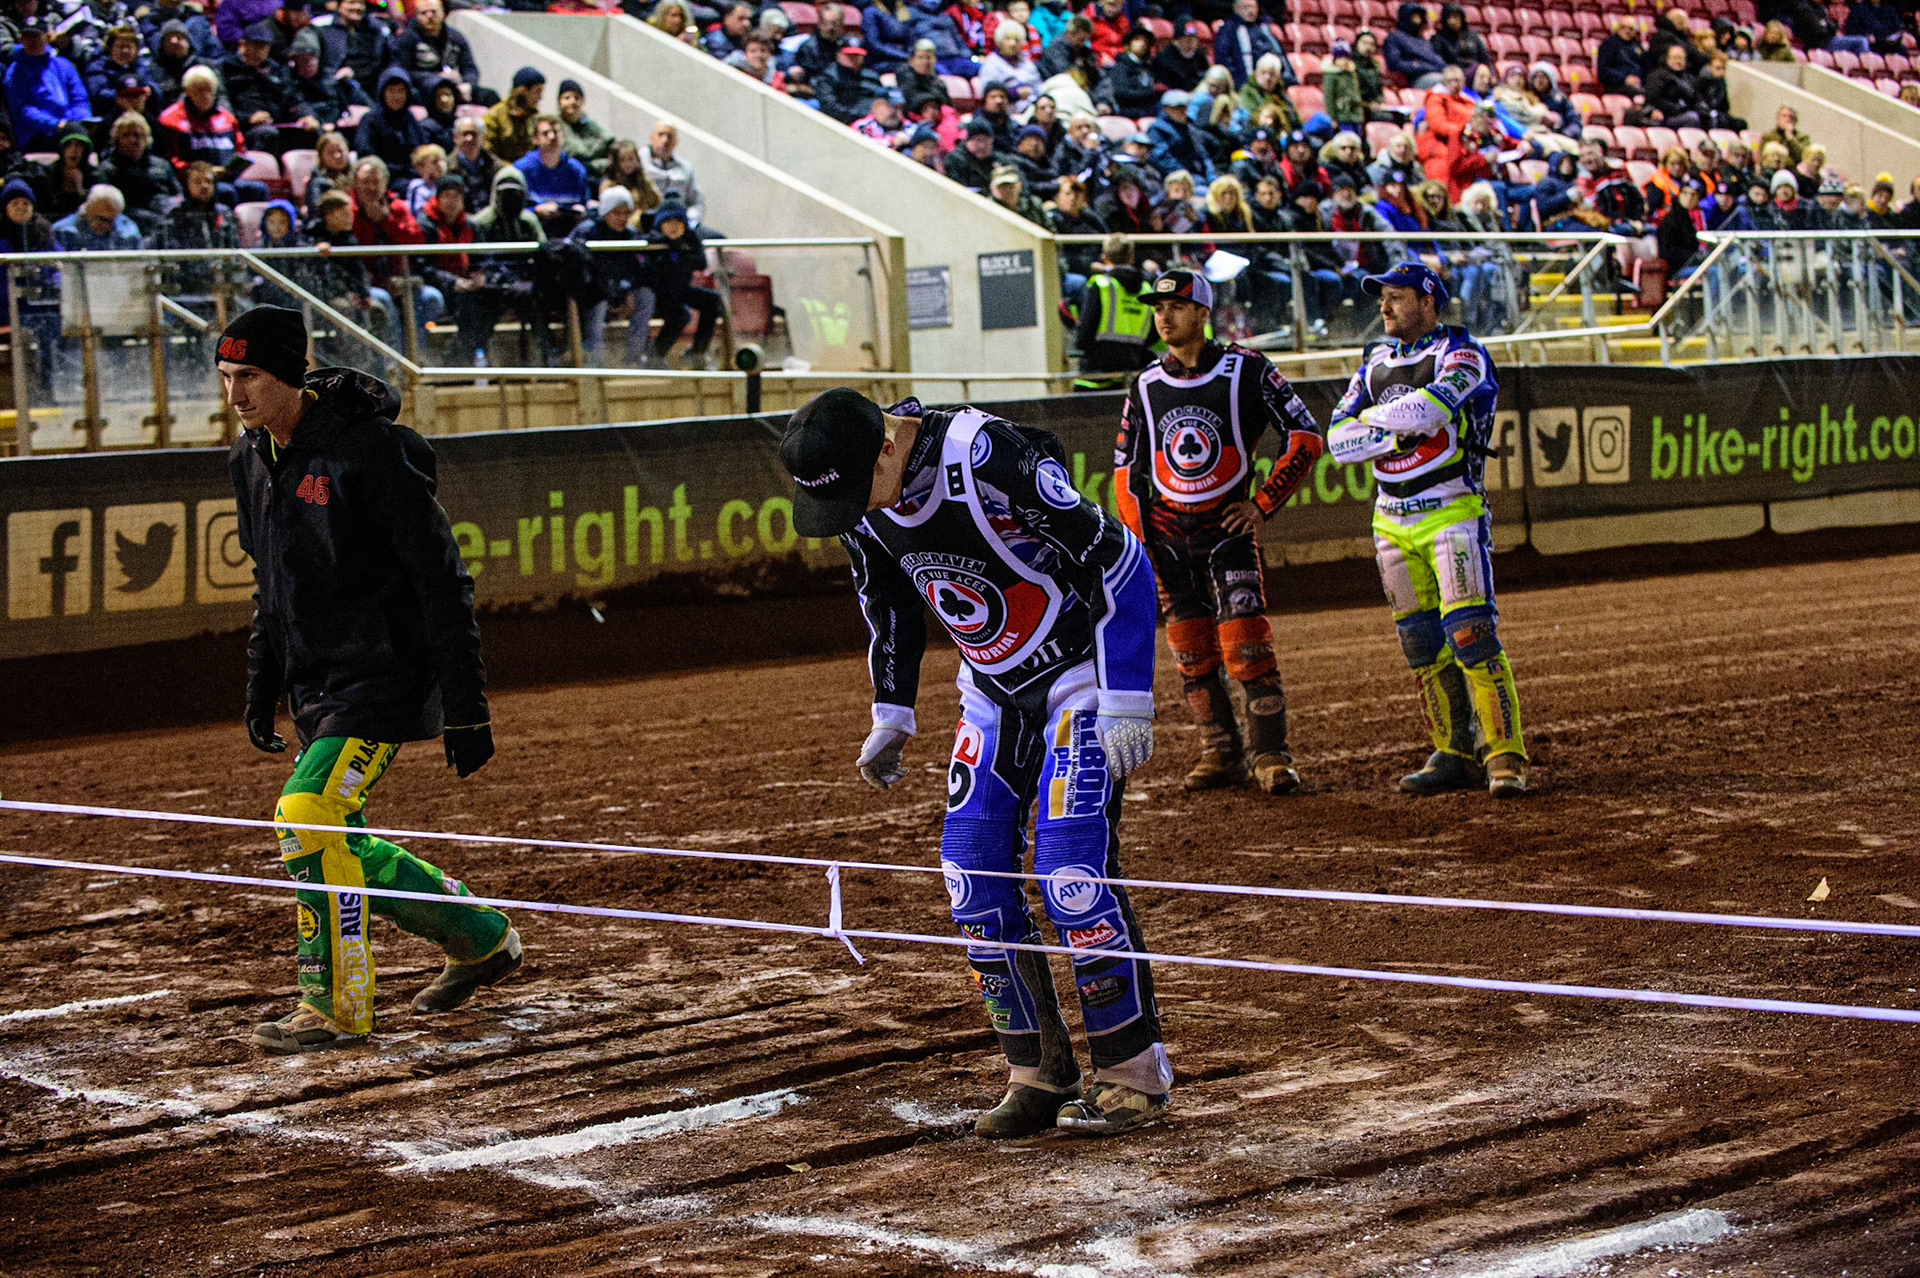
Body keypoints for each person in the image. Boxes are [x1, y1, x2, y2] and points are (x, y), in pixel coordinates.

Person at [777, 385, 1171, 1138]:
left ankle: (1132, 1074)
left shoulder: (984, 457)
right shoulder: (859, 495)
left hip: (1079, 680)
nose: (855, 513)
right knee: (969, 876)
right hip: (989, 689)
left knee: (1070, 876)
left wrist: (1127, 694)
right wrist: (890, 710)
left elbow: (1119, 560)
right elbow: (886, 597)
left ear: (887, 447)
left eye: (861, 492)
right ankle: (1037, 1070)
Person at [220, 306, 521, 1055]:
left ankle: (335, 1006)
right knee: (335, 831)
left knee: (309, 808)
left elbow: (442, 581)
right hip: (318, 685)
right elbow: (272, 586)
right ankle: (481, 939)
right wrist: (263, 686)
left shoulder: (371, 452)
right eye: (225, 378)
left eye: (249, 377)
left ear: (289, 373)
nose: (235, 395)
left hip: (385, 679)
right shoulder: (249, 457)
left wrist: (465, 707)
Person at [1111, 268, 1323, 793]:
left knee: (1246, 643)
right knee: (1190, 649)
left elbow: (1305, 437)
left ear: (1204, 314)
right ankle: (1220, 750)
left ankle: (1271, 754)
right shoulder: (1144, 383)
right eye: (1158, 308)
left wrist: (1263, 504)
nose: (1164, 316)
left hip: (1226, 531)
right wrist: (1139, 543)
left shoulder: (1248, 369)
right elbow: (1125, 471)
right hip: (1164, 536)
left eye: (1177, 306)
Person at [1327, 261, 1525, 797]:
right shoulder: (1373, 363)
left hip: (1453, 511)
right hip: (1390, 520)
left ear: (1429, 302)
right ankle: (1452, 751)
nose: (1384, 307)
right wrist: (1392, 432)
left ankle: (1503, 755)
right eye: (1382, 297)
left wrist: (1372, 424)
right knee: (1420, 644)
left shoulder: (1462, 353)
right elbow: (1338, 440)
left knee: (1471, 634)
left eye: (1397, 297)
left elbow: (1432, 404)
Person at [568, 184, 656, 364]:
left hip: (618, 289)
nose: (622, 218)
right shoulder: (587, 232)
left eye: (626, 213)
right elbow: (585, 271)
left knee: (646, 296)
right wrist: (610, 292)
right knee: (598, 302)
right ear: (605, 212)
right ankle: (595, 361)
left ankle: (633, 358)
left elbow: (635, 267)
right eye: (617, 213)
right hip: (593, 291)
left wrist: (627, 290)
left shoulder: (630, 235)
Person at [224, 19, 320, 156]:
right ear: (242, 44)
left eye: (265, 46)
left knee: (312, 130)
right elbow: (223, 107)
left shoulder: (276, 70)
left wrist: (306, 115)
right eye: (256, 45)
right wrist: (248, 119)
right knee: (266, 134)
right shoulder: (228, 68)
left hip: (280, 123)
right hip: (247, 128)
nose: (261, 51)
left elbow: (294, 98)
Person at [644, 201, 718, 367]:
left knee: (712, 301)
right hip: (660, 292)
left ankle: (698, 352)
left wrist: (678, 251)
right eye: (668, 222)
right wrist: (672, 251)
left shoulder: (689, 239)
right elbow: (653, 267)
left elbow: (700, 262)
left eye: (678, 222)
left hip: (681, 288)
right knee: (681, 314)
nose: (673, 227)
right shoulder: (654, 241)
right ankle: (656, 354)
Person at [6, 17, 89, 151]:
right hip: (37, 134)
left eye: (36, 36)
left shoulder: (63, 64)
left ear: (47, 37)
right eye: (27, 37)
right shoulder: (15, 71)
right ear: (21, 39)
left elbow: (79, 98)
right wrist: (56, 124)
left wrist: (80, 120)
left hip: (70, 127)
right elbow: (23, 109)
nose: (32, 41)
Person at [357, 68, 441, 187]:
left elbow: (419, 152)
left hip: (413, 179)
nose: (396, 96)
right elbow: (366, 153)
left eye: (401, 91)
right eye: (391, 91)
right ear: (383, 92)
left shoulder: (410, 119)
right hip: (382, 181)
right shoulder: (371, 120)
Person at [390, 0, 483, 105]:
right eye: (423, 13)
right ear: (416, 15)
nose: (429, 16)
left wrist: (468, 84)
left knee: (488, 95)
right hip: (423, 89)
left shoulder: (456, 37)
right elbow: (404, 70)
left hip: (455, 87)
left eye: (434, 11)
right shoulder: (406, 39)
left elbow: (470, 68)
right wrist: (438, 78)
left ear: (443, 12)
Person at [514, 113, 592, 234]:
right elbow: (512, 211)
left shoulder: (576, 170)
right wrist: (536, 210)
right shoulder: (521, 169)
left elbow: (584, 203)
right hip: (533, 232)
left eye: (556, 132)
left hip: (568, 233)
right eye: (546, 133)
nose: (552, 137)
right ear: (535, 139)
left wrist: (580, 211)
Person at [98, 110, 177, 226]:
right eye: (126, 135)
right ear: (116, 140)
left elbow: (178, 195)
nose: (133, 140)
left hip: (166, 225)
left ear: (147, 139)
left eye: (138, 135)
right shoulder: (107, 170)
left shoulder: (162, 166)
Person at [641, 119, 703, 227]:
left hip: (680, 223)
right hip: (647, 222)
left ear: (676, 141)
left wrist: (690, 220)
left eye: (669, 136)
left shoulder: (685, 168)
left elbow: (696, 201)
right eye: (660, 135)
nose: (665, 140)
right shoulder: (639, 163)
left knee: (715, 237)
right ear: (651, 137)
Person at [316, 0, 390, 89]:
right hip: (331, 85)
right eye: (351, 2)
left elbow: (381, 62)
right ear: (339, 7)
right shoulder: (323, 29)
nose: (357, 7)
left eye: (361, 3)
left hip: (369, 85)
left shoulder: (376, 30)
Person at [51, 182, 143, 249]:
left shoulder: (129, 233)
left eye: (111, 220)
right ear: (87, 209)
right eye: (101, 219)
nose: (107, 226)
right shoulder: (63, 232)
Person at [1214, 0, 1282, 88]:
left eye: (1253, 7)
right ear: (1236, 9)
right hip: (1240, 84)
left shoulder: (1263, 29)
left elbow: (1276, 53)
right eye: (1245, 7)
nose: (1250, 11)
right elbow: (1223, 59)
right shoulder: (1228, 30)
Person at [484, 66, 544, 164]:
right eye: (537, 92)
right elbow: (487, 152)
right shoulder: (494, 117)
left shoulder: (534, 118)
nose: (540, 97)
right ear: (522, 90)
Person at [1385, 1, 1446, 91]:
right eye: (1414, 15)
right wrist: (1420, 66)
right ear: (1405, 16)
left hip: (1433, 73)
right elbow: (1395, 64)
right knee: (1445, 81)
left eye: (1420, 16)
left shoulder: (1423, 39)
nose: (1418, 19)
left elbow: (1435, 59)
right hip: (1413, 80)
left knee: (1455, 79)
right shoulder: (1394, 37)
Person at [447, 116, 497, 212]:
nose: (469, 138)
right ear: (455, 137)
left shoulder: (495, 166)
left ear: (484, 137)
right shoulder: (447, 167)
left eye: (474, 134)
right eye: (465, 134)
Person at [1152, 20, 1207, 92]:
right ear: (1177, 40)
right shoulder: (1164, 58)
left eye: (1194, 38)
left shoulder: (1199, 55)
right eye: (1188, 39)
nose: (1192, 43)